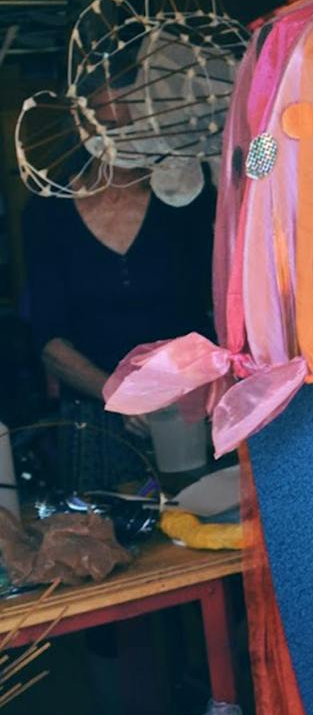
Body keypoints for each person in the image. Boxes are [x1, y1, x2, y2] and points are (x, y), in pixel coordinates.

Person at [22, 168, 214, 495]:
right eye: (103, 121)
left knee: (208, 529)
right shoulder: (47, 210)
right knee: (109, 535)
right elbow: (48, 342)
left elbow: (223, 302)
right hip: (97, 420)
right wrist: (119, 393)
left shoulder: (186, 193)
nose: (116, 124)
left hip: (189, 407)